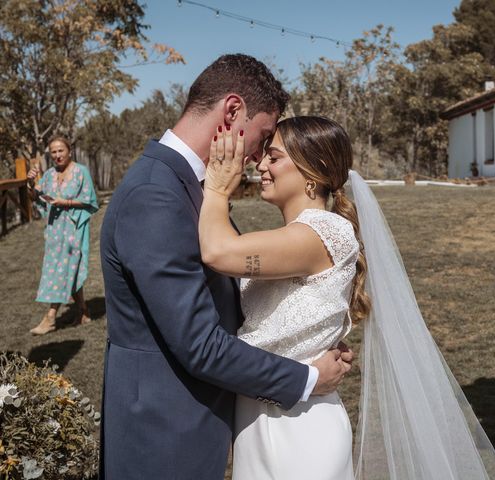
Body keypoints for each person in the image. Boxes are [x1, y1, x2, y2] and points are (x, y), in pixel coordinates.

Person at [201, 115, 495, 479]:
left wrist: (217, 189)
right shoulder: (291, 235)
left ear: (313, 171)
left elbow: (218, 253)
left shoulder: (322, 233)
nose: (261, 165)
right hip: (262, 416)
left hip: (299, 427)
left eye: (274, 156)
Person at [98, 54, 350, 480]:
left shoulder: (190, 187)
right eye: (263, 135)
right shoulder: (156, 195)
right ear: (233, 111)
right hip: (164, 432)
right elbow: (198, 343)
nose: (257, 158)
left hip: (211, 422)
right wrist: (306, 377)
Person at [26, 136, 99, 335]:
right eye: (54, 152)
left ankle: (50, 318)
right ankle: (83, 312)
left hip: (74, 228)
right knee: (68, 269)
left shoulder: (81, 172)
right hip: (54, 230)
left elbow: (90, 200)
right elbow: (37, 198)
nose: (57, 155)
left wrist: (65, 203)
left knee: (62, 269)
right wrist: (31, 184)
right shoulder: (49, 174)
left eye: (61, 151)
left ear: (69, 151)